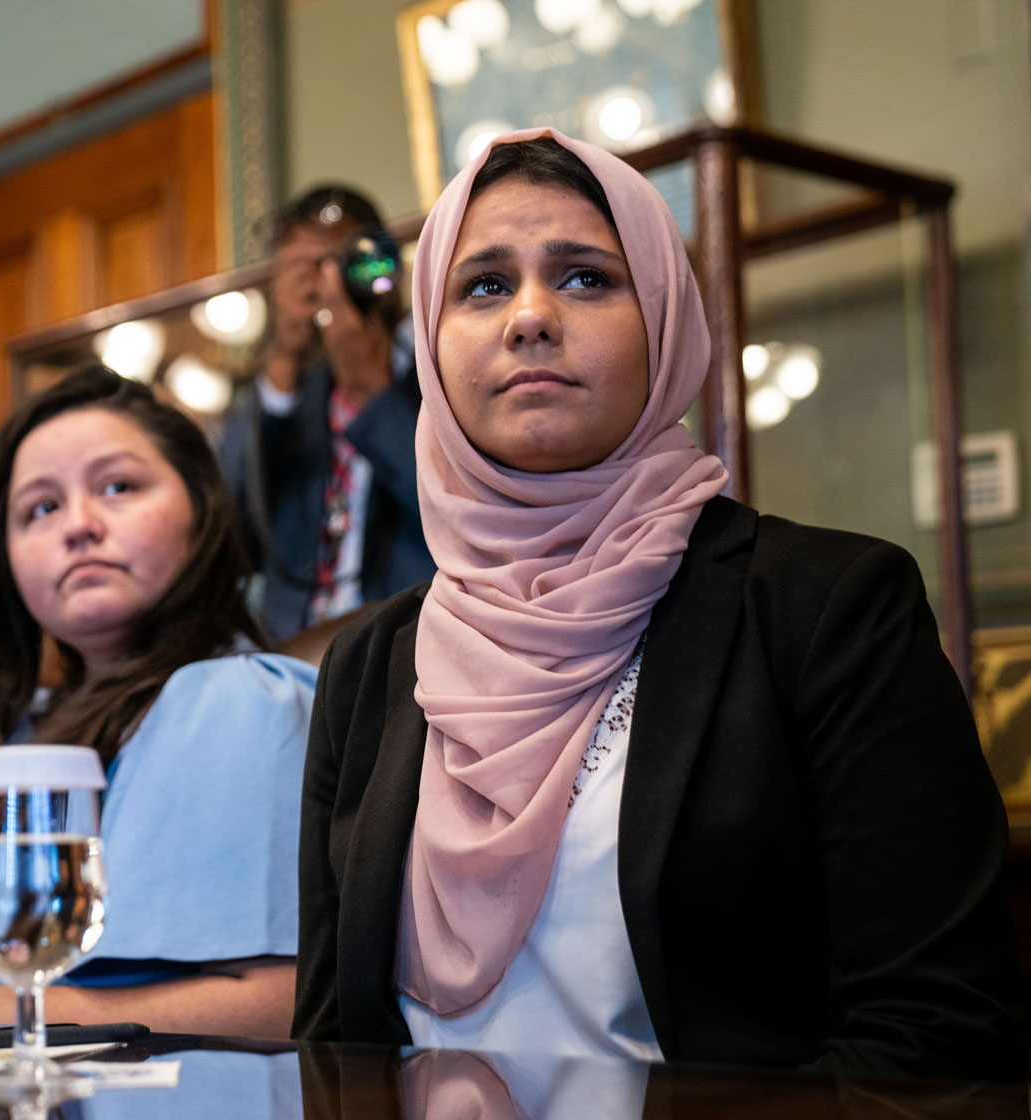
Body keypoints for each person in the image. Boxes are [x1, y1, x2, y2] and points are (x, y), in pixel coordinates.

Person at [293, 132, 1023, 1080]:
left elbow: (936, 1030)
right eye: (481, 287)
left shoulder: (825, 610)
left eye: (588, 278)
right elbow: (331, 1046)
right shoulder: (373, 664)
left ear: (668, 319)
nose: (530, 318)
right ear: (430, 348)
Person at [0, 364, 315, 1037]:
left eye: (118, 487)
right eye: (41, 509)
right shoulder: (6, 723)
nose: (78, 526)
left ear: (202, 508)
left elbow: (285, 1005)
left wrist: (25, 1015)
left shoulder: (229, 701)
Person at [218, 185, 433, 642]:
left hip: (407, 643)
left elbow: (459, 514)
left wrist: (373, 391)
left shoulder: (437, 372)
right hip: (295, 647)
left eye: (344, 260)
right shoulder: (293, 393)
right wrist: (282, 361)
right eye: (305, 266)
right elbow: (228, 531)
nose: (326, 280)